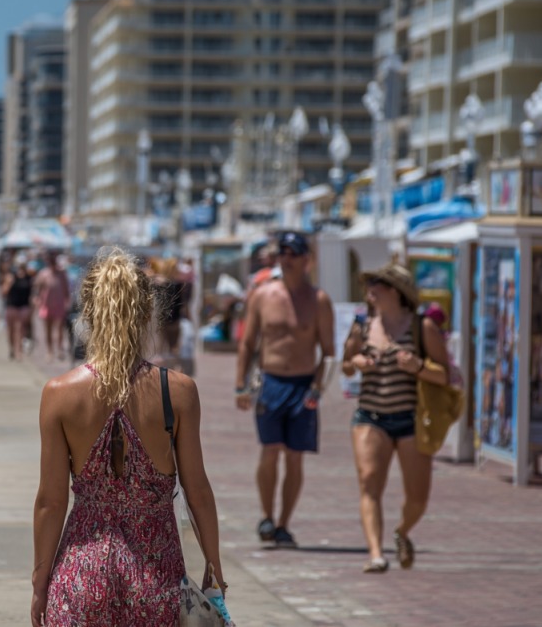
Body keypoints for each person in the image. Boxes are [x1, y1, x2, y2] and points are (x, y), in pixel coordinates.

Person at [32, 247, 224, 626]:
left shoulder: (59, 392)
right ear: (146, 312)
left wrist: (40, 582)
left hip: (81, 573)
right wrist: (214, 567)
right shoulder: (178, 390)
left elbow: (50, 503)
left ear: (87, 313)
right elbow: (197, 490)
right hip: (156, 574)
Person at [342, 263, 450, 573]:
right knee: (369, 483)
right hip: (370, 416)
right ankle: (376, 553)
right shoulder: (362, 325)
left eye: (378, 283)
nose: (370, 289)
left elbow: (446, 375)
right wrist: (357, 363)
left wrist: (417, 366)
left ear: (396, 291)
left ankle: (402, 531)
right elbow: (346, 365)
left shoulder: (421, 327)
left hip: (410, 420)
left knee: (417, 497)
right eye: (369, 283)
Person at [235, 231, 335, 549]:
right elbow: (248, 343)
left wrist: (318, 389)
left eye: (294, 253)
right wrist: (241, 385)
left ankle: (283, 524)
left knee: (295, 457)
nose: (287, 259)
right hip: (272, 383)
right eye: (283, 253)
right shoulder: (263, 295)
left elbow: (329, 352)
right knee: (270, 450)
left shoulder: (318, 300)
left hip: (303, 385)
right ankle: (266, 515)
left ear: (307, 260)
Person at [34, 252, 71, 361]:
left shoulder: (62, 273)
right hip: (46, 305)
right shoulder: (43, 274)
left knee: (59, 328)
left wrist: (67, 302)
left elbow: (66, 289)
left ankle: (59, 349)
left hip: (59, 304)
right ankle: (50, 351)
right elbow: (37, 288)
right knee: (48, 329)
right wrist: (37, 299)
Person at [1, 256, 34, 361]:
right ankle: (11, 348)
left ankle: (18, 351)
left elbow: (32, 292)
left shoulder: (29, 277)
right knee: (10, 330)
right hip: (12, 305)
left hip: (24, 306)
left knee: (21, 330)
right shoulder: (11, 276)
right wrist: (9, 283)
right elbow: (4, 292)